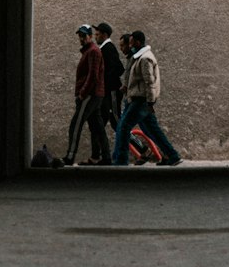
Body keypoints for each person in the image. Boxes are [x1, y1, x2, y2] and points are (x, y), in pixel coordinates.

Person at [112, 30, 181, 166]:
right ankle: (172, 155)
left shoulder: (145, 59)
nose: (130, 45)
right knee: (152, 130)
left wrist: (150, 102)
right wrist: (126, 87)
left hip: (141, 100)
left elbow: (149, 82)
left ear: (138, 42)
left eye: (131, 43)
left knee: (124, 126)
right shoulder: (139, 57)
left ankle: (120, 160)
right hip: (138, 99)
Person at [61, 24, 110, 166]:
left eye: (84, 35)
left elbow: (93, 75)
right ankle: (106, 156)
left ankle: (70, 156)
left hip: (90, 95)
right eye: (80, 36)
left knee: (75, 124)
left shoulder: (93, 52)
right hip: (95, 94)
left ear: (90, 36)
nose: (81, 38)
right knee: (97, 127)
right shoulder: (89, 51)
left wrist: (83, 93)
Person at [94, 21, 124, 143]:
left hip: (112, 92)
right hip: (107, 92)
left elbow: (119, 68)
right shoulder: (105, 48)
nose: (95, 37)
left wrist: (107, 83)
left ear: (105, 35)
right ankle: (101, 153)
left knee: (117, 122)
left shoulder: (108, 48)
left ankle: (141, 148)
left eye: (97, 34)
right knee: (101, 120)